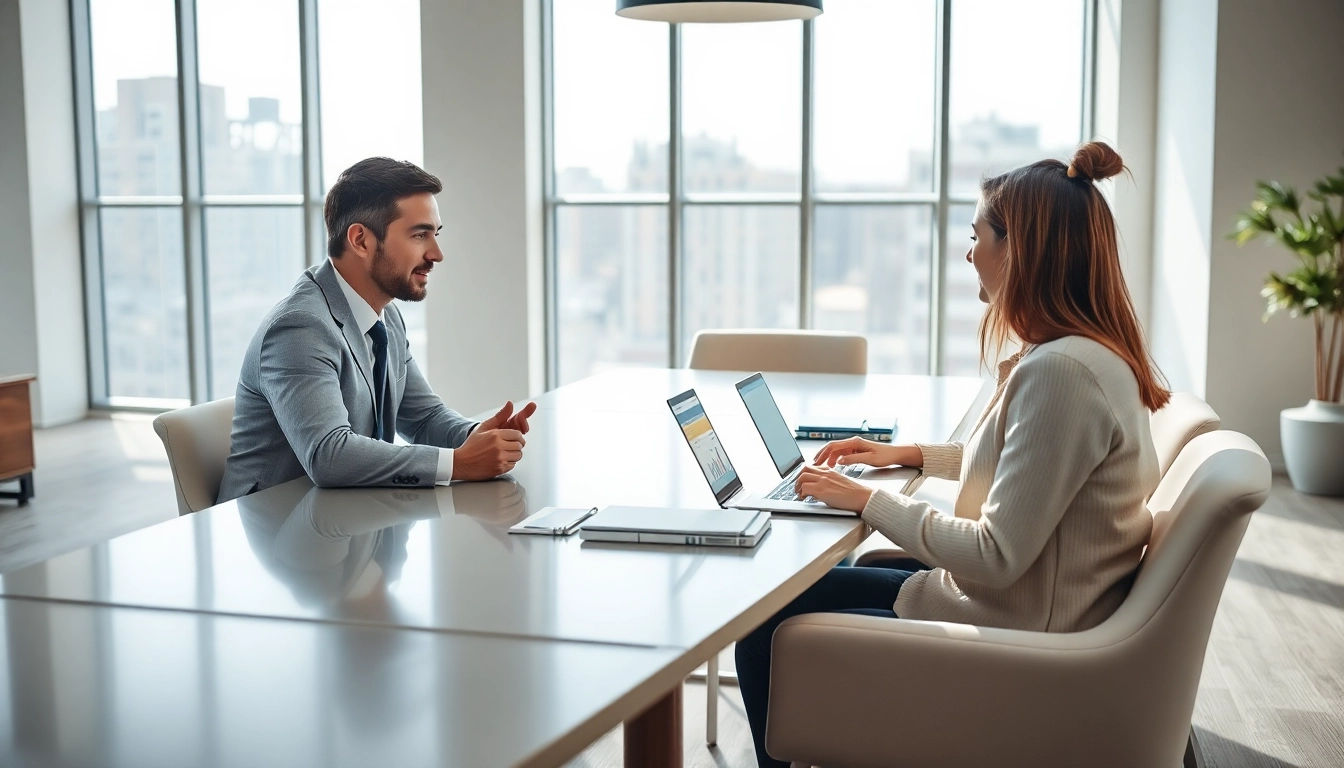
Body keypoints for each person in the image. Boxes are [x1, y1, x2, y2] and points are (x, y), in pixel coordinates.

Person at [735, 141, 1169, 768]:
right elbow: (1020, 462)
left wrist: (866, 498)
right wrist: (904, 456)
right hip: (1018, 609)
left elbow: (995, 555)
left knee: (763, 632)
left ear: (1019, 248)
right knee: (785, 595)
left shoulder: (1062, 375)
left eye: (978, 236)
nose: (970, 254)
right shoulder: (1085, 357)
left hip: (1008, 638)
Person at [217, 158, 536, 503]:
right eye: (419, 235)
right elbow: (329, 456)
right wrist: (458, 463)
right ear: (361, 240)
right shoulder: (299, 328)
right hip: (272, 532)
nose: (437, 253)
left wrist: (475, 436)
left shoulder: (386, 315)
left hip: (344, 523)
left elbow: (424, 417)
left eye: (435, 234)